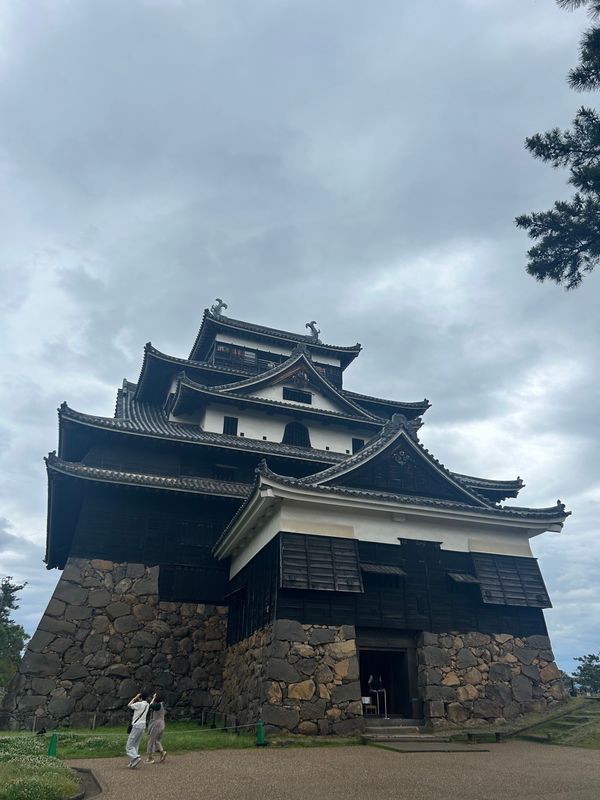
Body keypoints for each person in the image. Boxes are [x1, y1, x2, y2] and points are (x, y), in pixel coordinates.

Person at [126, 691, 150, 769]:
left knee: (129, 745)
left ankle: (135, 757)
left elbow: (129, 705)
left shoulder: (139, 704)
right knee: (136, 744)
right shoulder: (147, 705)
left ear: (140, 697)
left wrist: (135, 698)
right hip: (143, 726)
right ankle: (133, 762)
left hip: (136, 725)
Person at [145, 692, 167, 764]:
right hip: (161, 723)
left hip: (157, 724)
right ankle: (162, 752)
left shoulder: (158, 705)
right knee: (157, 740)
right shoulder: (161, 704)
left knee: (151, 740)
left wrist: (154, 698)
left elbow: (150, 705)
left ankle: (151, 758)